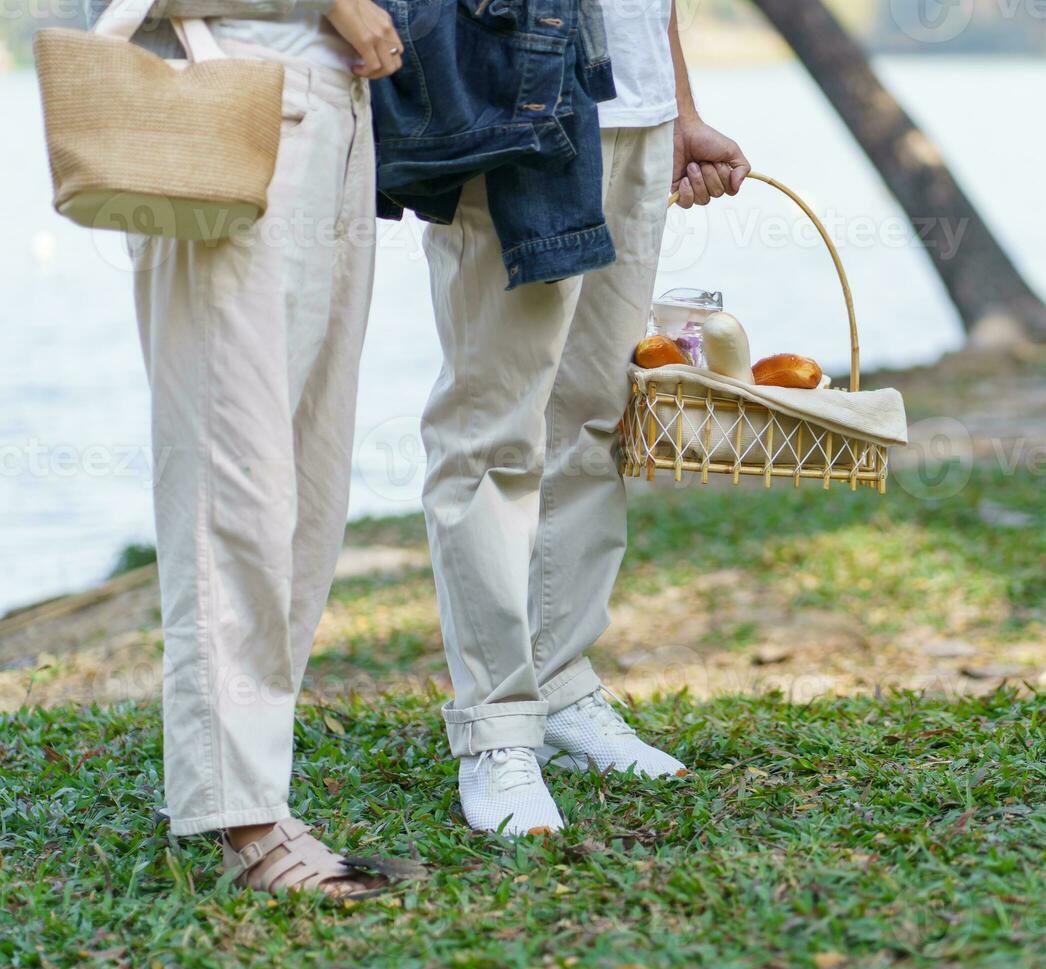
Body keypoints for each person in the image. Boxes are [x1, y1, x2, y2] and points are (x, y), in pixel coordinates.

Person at [96, 0, 406, 893]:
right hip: (224, 89)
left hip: (337, 108)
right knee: (232, 465)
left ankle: (254, 780)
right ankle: (245, 818)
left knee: (309, 472)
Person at [419, 0, 750, 835]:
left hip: (635, 114)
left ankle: (559, 685)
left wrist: (678, 107)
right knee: (491, 427)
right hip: (517, 95)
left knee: (596, 416)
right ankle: (497, 729)